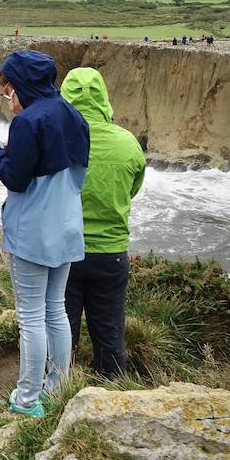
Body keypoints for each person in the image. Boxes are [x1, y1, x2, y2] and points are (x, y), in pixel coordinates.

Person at [0, 50, 88, 418]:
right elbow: (56, 166)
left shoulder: (27, 123)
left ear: (21, 85)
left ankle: (27, 399)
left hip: (33, 233)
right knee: (56, 311)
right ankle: (58, 390)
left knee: (30, 317)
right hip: (67, 227)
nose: (7, 97)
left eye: (7, 90)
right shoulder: (72, 115)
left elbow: (16, 178)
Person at [60, 68, 146, 378]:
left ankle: (56, 397)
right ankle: (111, 394)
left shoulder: (58, 138)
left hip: (65, 252)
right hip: (111, 253)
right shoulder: (127, 142)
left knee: (61, 332)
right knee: (110, 335)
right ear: (103, 99)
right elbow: (132, 189)